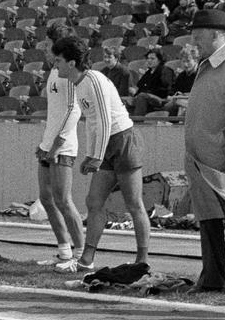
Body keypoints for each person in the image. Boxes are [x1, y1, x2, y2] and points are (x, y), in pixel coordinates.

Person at [49, 35, 150, 277]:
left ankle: (142, 260)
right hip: (107, 146)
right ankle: (86, 258)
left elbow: (104, 121)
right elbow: (92, 124)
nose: (55, 66)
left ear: (72, 63)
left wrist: (95, 155)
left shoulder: (93, 80)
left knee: (134, 204)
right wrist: (91, 154)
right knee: (94, 202)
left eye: (59, 61)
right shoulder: (77, 83)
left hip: (123, 140)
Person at [183, 10, 225, 290]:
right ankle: (212, 277)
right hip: (200, 158)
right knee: (208, 220)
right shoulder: (207, 64)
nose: (194, 39)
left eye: (199, 33)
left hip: (222, 161)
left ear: (217, 33)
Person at [35, 29, 86, 270]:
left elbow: (72, 111)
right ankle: (64, 251)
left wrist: (57, 144)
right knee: (47, 199)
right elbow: (54, 113)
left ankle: (82, 254)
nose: (45, 50)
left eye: (48, 45)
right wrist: (45, 142)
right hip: (48, 144)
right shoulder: (54, 72)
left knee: (64, 200)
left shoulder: (66, 74)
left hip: (63, 147)